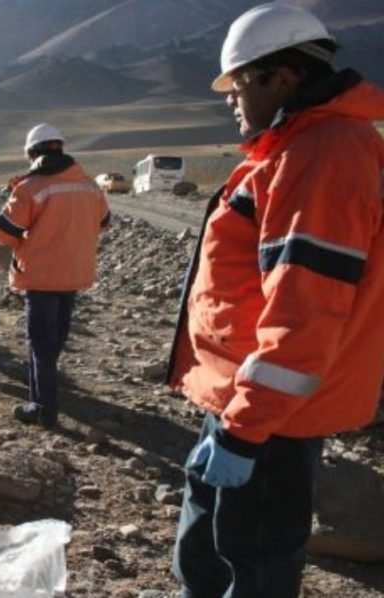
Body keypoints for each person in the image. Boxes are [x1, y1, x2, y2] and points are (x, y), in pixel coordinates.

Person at [165, 5, 384, 596]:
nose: (231, 101)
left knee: (253, 561)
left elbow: (305, 313)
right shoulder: (292, 150)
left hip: (269, 416)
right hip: (249, 399)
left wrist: (244, 431)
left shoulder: (322, 155)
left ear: (280, 77)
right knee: (209, 548)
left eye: (237, 85)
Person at [0, 124, 110, 428]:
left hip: (41, 277)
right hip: (75, 275)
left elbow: (4, 233)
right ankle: (43, 398)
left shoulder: (31, 187)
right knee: (53, 341)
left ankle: (43, 409)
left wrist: (27, 240)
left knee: (40, 345)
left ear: (32, 153)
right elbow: (103, 223)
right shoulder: (89, 185)